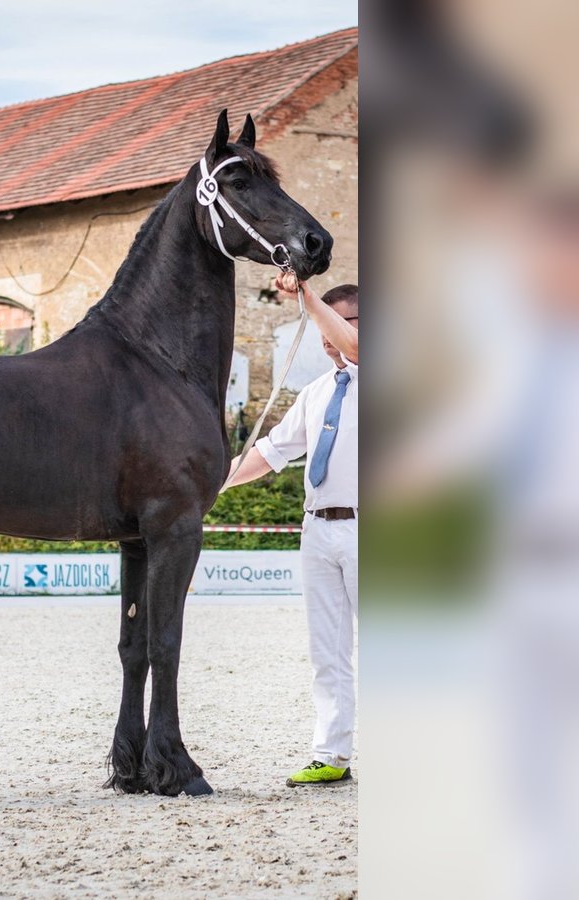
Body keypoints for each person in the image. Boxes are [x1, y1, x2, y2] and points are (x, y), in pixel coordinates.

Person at [224, 274, 359, 786]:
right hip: (318, 529)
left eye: (338, 320)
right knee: (327, 650)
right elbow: (271, 452)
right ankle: (332, 754)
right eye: (321, 321)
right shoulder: (316, 391)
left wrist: (306, 296)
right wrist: (212, 484)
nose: (326, 334)